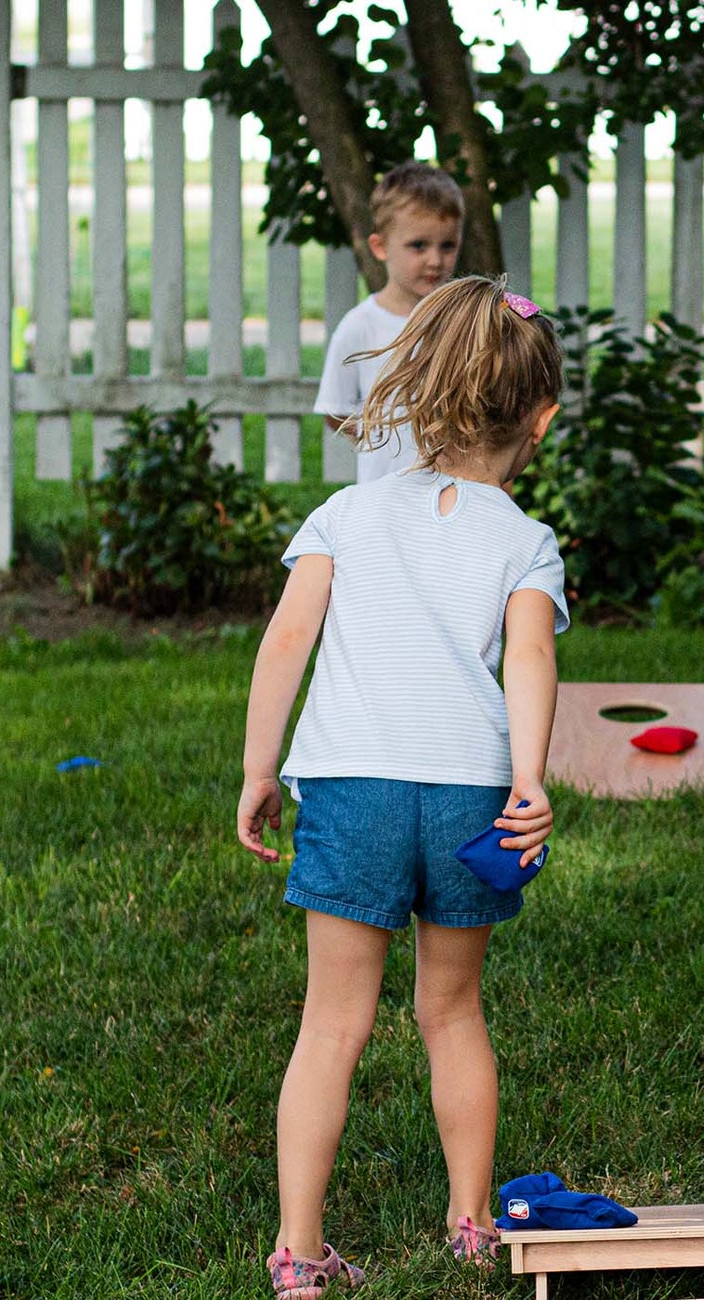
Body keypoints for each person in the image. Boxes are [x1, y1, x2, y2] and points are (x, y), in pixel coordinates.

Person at [235, 276, 569, 1293]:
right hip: (470, 794)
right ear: (540, 421)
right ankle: (470, 1223)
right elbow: (528, 664)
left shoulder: (343, 515)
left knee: (330, 1022)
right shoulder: (522, 540)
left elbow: (286, 638)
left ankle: (298, 1251)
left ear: (410, 392)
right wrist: (526, 780)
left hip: (351, 789)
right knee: (452, 1009)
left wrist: (258, 768)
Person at [315, 163, 466, 483]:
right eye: (418, 246)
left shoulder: (461, 322)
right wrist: (384, 442)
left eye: (447, 246)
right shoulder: (360, 326)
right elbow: (334, 409)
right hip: (384, 498)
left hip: (453, 492)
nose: (435, 260)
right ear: (380, 247)